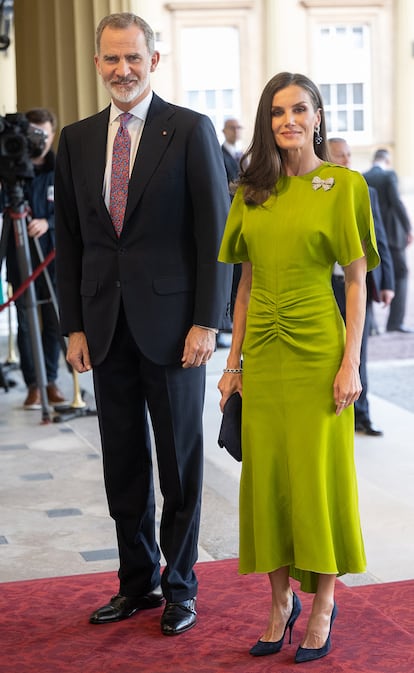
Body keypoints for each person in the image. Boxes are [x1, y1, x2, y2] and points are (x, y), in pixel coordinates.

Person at [54, 12, 231, 636]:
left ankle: (181, 586)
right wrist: (72, 325)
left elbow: (216, 234)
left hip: (176, 328)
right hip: (104, 328)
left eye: (132, 57)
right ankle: (138, 583)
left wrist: (208, 321)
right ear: (97, 62)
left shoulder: (189, 130)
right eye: (110, 59)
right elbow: (70, 244)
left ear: (154, 60)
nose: (121, 70)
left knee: (179, 464)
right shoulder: (76, 140)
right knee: (122, 463)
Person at [217, 72, 379, 664]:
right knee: (269, 481)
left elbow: (357, 282)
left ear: (317, 117)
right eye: (278, 111)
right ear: (267, 120)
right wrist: (232, 366)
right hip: (262, 353)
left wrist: (351, 363)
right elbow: (243, 286)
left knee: (317, 479)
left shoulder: (345, 185)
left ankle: (323, 606)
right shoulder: (250, 191)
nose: (288, 120)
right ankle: (280, 603)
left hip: (318, 353)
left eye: (300, 110)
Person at [328, 138, 395, 436]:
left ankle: (361, 415)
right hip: (326, 287)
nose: (346, 160)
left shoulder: (364, 190)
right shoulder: (318, 193)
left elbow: (379, 239)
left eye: (348, 155)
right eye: (339, 156)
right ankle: (333, 409)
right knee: (331, 353)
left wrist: (387, 283)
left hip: (358, 287)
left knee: (359, 353)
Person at [5, 107, 67, 410]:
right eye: (34, 133)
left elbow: (73, 210)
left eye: (44, 134)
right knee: (26, 324)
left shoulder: (63, 166)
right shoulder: (11, 166)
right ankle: (34, 385)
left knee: (54, 322)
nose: (38, 140)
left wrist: (48, 222)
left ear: (53, 134)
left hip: (54, 256)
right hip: (20, 256)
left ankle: (51, 380)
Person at [364, 148, 413, 333]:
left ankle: (370, 325)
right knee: (401, 273)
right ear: (388, 160)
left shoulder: (363, 176)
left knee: (371, 274)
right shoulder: (389, 175)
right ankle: (395, 322)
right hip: (392, 235)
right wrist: (408, 227)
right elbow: (396, 202)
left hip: (372, 233)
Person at [217, 118, 244, 348]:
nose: (236, 131)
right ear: (224, 131)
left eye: (239, 128)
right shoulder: (219, 154)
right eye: (232, 128)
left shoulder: (242, 155)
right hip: (227, 218)